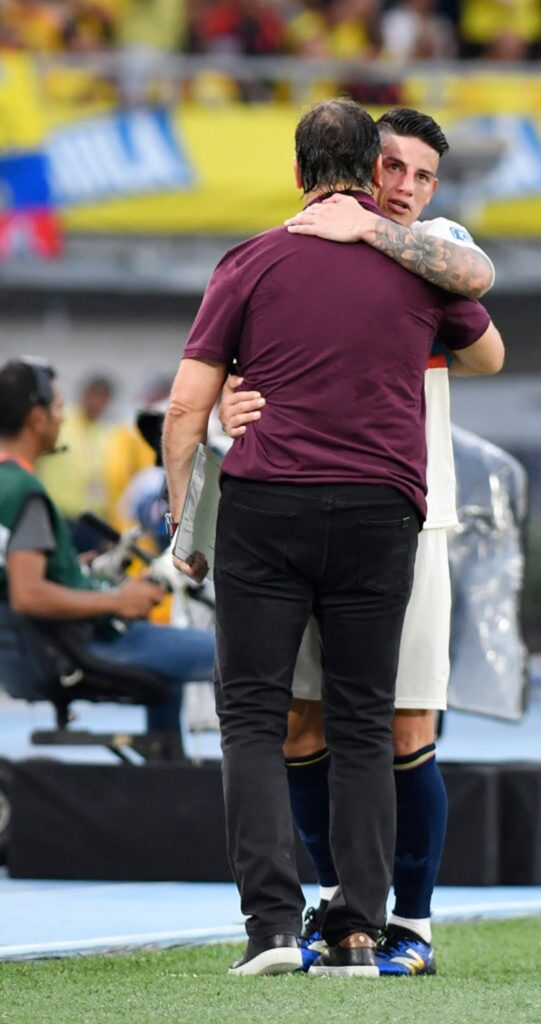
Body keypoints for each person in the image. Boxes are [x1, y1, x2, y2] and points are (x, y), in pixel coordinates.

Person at [163, 98, 502, 978]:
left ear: (298, 171)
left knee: (311, 719)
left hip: (313, 509)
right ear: (368, 164)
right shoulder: (407, 268)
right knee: (342, 723)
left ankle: (322, 926)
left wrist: (180, 518)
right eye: (394, 169)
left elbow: (181, 407)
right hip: (382, 511)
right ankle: (350, 926)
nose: (405, 188)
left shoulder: (290, 256)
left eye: (423, 177)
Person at [0, 358, 215, 756]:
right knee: (237, 659)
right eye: (59, 408)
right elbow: (27, 593)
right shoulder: (23, 489)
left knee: (169, 677)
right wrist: (118, 599)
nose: (63, 419)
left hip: (36, 649)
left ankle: (169, 781)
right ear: (36, 417)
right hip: (86, 645)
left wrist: (76, 571)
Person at [36, 372, 115, 552]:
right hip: (58, 516)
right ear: (85, 394)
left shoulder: (107, 432)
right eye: (95, 396)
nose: (98, 404)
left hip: (92, 522)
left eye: (104, 399)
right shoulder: (60, 420)